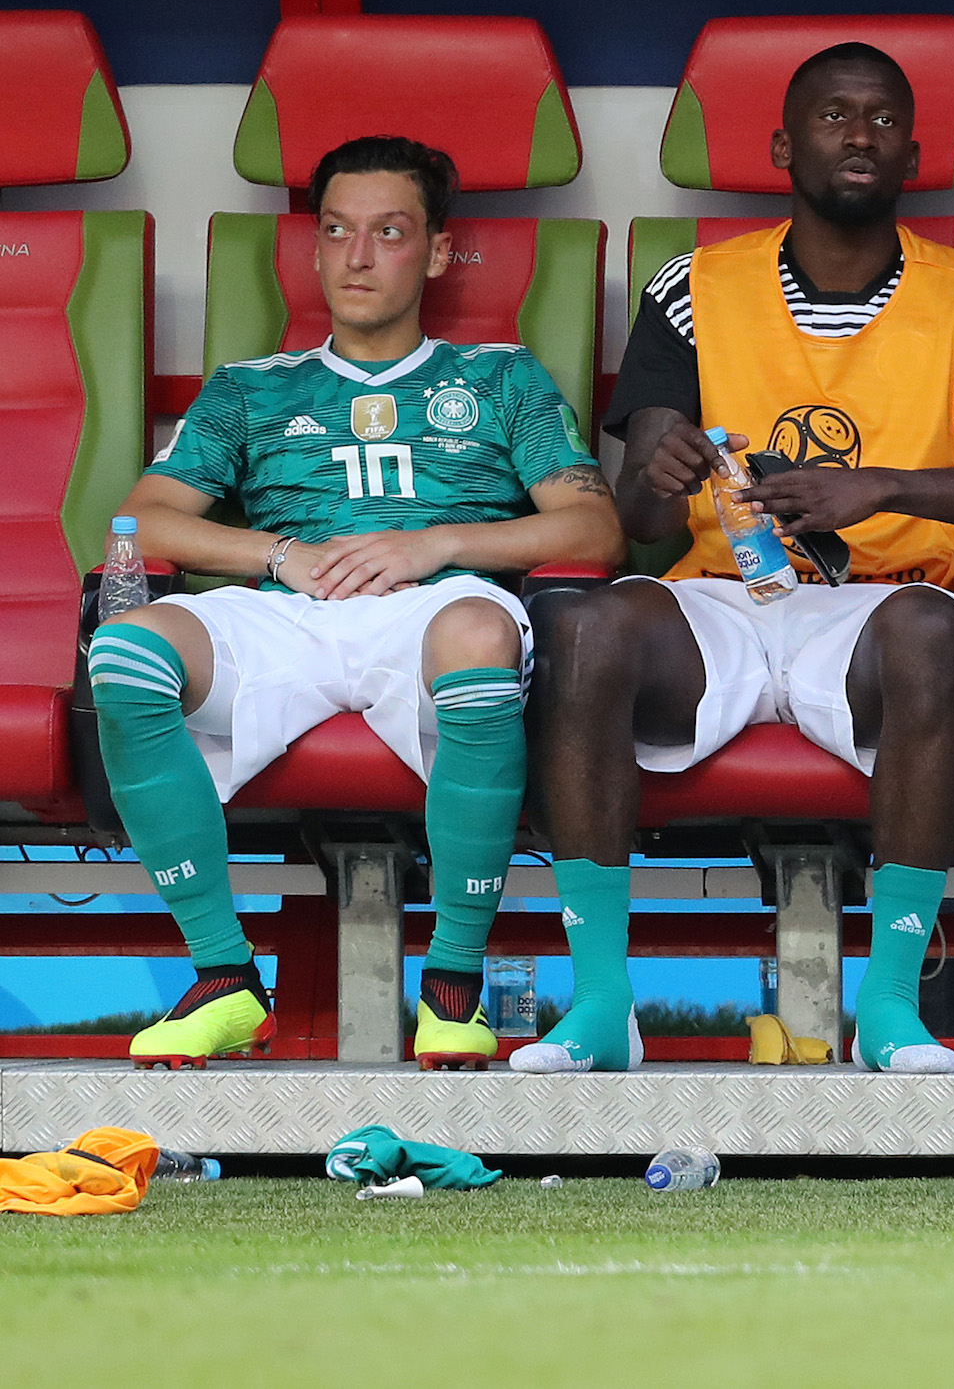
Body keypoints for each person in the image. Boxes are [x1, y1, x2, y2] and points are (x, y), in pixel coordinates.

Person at [519, 42, 954, 1076]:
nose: (858, 134)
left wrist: (883, 485)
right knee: (586, 628)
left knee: (922, 633)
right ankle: (602, 1002)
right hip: (720, 603)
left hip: (883, 603)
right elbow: (639, 519)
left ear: (913, 148)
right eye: (833, 115)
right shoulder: (692, 288)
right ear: (783, 144)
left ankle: (892, 1006)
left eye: (880, 118)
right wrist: (663, 460)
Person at [88, 136, 625, 1069]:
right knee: (127, 654)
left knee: (475, 628)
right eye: (337, 232)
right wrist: (279, 552)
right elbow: (140, 522)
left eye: (389, 232)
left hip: (433, 609)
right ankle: (225, 977)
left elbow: (592, 529)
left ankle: (454, 984)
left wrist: (439, 543)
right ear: (314, 248)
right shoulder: (252, 388)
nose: (359, 257)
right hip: (289, 608)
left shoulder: (500, 378)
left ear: (439, 252)